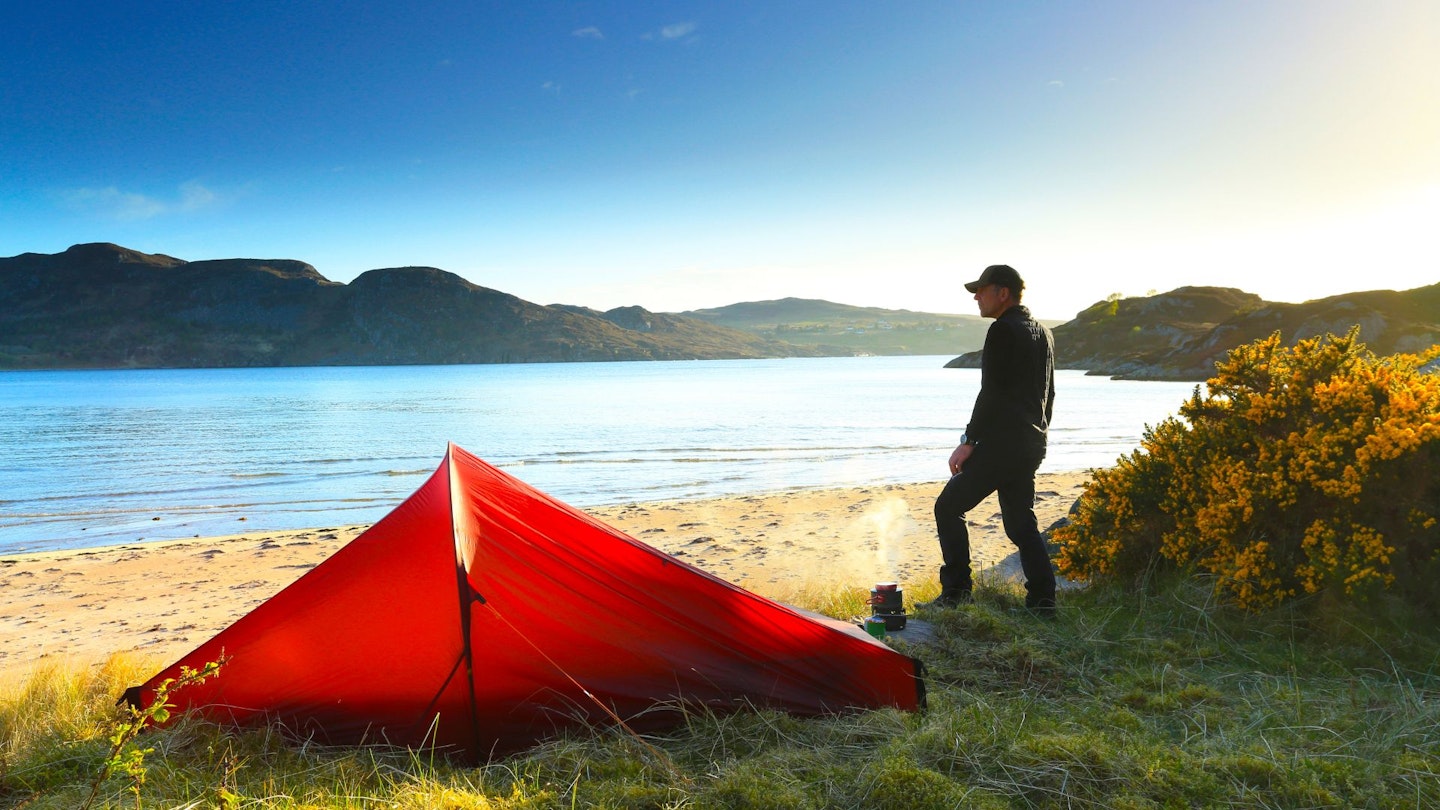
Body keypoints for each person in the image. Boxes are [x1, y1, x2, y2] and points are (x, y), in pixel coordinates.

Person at [923, 264, 1057, 614]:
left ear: (1003, 293)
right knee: (1020, 524)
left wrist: (969, 440)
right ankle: (1043, 602)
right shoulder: (1043, 331)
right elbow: (1050, 393)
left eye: (981, 290)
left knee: (948, 507)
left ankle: (956, 593)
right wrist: (1039, 433)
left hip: (1002, 446)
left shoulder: (1003, 330)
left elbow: (991, 393)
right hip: (1030, 444)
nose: (976, 297)